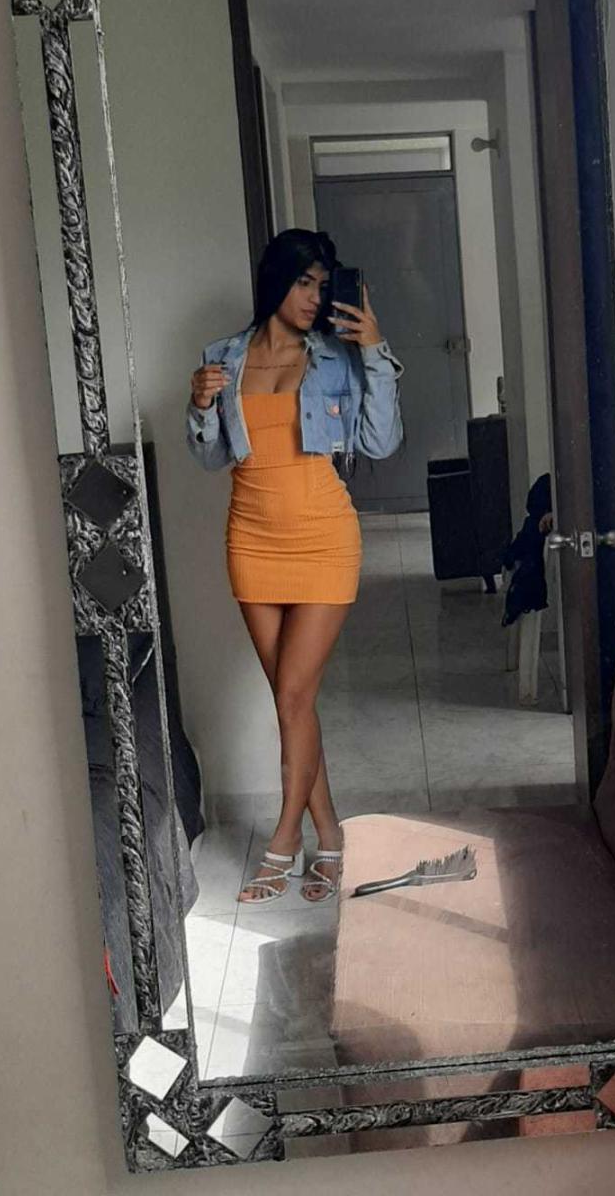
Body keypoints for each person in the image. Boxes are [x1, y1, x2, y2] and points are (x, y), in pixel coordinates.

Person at [185, 229, 403, 905]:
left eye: (323, 285)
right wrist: (199, 406)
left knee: (291, 696)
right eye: (304, 282)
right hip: (251, 540)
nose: (314, 297)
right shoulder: (223, 358)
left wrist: (375, 353)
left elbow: (380, 442)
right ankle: (329, 837)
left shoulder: (337, 357)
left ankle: (284, 840)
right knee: (293, 701)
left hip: (323, 537)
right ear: (276, 280)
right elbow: (211, 457)